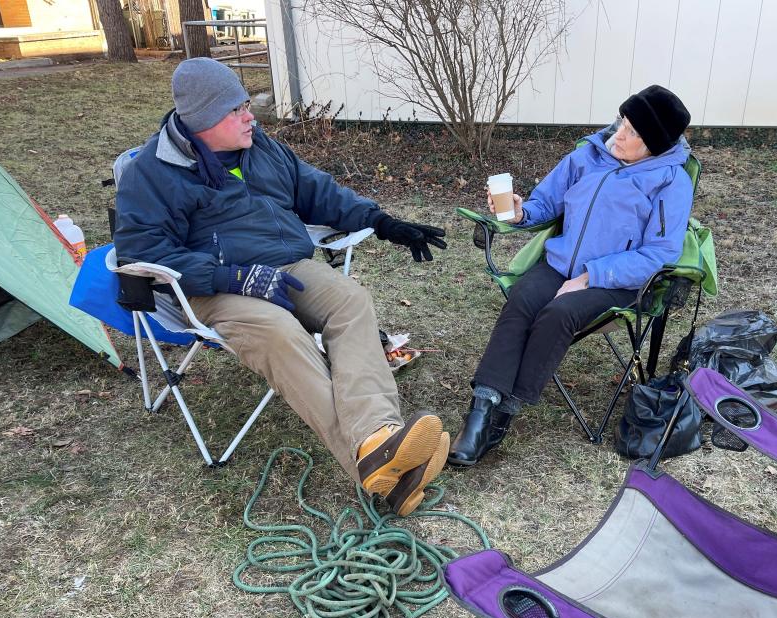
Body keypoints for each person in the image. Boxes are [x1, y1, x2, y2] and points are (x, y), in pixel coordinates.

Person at [114, 57, 449, 516]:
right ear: (204, 120)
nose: (251, 116)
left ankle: (378, 440)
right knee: (280, 331)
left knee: (349, 301)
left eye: (246, 105)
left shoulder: (261, 148)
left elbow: (317, 190)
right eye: (237, 110)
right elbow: (140, 250)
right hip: (214, 287)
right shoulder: (152, 173)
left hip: (285, 266)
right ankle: (377, 467)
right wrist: (230, 276)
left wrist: (380, 220)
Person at [448, 85, 693, 466]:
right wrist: (520, 212)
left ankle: (504, 414)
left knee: (558, 315)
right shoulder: (588, 156)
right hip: (560, 264)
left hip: (617, 281)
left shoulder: (670, 182)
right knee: (522, 302)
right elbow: (547, 201)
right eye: (621, 123)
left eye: (631, 133)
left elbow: (659, 253)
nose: (618, 136)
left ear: (654, 147)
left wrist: (589, 277)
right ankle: (480, 412)